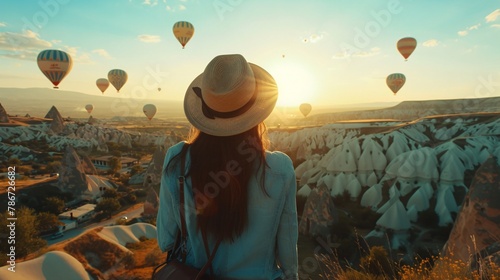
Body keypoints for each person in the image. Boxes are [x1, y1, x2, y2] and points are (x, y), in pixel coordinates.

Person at [157, 54, 299, 279]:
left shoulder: (178, 159)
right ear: (257, 113)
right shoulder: (279, 168)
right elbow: (288, 251)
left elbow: (165, 239)